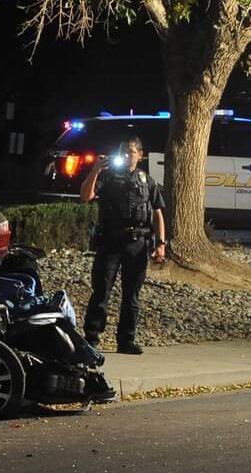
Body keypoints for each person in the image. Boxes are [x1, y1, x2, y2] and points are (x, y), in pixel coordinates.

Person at [79, 135, 166, 355]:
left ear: (140, 154)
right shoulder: (107, 177)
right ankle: (91, 339)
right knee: (101, 292)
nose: (127, 155)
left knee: (132, 296)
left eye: (131, 151)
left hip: (137, 245)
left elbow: (157, 213)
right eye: (123, 152)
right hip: (110, 241)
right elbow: (85, 196)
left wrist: (161, 244)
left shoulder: (147, 181)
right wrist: (95, 170)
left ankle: (126, 340)